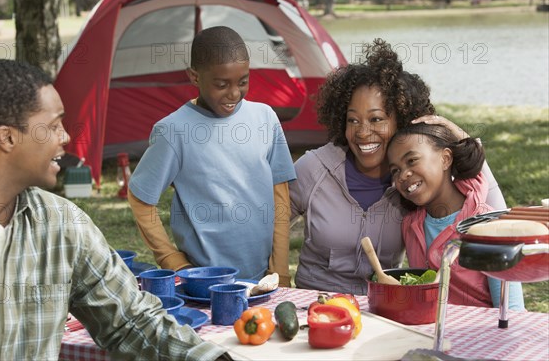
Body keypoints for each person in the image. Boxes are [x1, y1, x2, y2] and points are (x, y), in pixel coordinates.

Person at [0, 59, 230, 360]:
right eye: (54, 125)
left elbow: (130, 322)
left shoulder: (62, 224)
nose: (66, 137)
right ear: (7, 138)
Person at [289, 38, 507, 295]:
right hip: (316, 307)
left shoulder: (413, 181)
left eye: (376, 119)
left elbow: (495, 216)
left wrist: (459, 136)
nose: (362, 132)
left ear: (401, 120)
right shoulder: (314, 168)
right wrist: (278, 279)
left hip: (383, 310)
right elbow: (269, 227)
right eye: (353, 120)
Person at [128, 26, 296, 285]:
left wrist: (280, 270)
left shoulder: (266, 118)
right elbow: (141, 198)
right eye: (221, 84)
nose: (234, 94)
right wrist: (170, 259)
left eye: (243, 81)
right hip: (203, 283)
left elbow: (280, 196)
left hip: (263, 280)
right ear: (195, 77)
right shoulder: (173, 131)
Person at [387, 123, 525, 309]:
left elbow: (512, 309)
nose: (403, 175)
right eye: (395, 170)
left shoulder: (487, 227)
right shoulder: (411, 225)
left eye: (412, 160)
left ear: (445, 159)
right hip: (431, 332)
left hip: (482, 333)